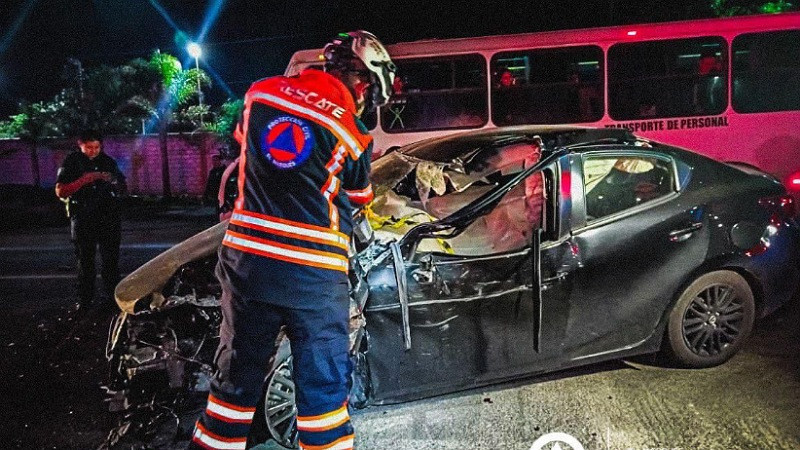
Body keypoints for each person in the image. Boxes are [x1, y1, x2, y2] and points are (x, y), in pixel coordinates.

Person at [189, 30, 396, 450]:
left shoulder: (260, 95)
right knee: (322, 395)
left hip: (249, 268)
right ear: (362, 82)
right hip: (313, 278)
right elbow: (359, 200)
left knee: (234, 385)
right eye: (369, 93)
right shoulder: (353, 135)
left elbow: (249, 146)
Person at [55, 130, 126, 310]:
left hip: (108, 217)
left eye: (97, 147)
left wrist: (114, 182)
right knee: (86, 261)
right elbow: (61, 191)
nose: (94, 151)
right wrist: (85, 180)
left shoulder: (107, 161)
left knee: (111, 260)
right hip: (83, 217)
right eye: (89, 147)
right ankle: (85, 299)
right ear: (80, 146)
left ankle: (111, 298)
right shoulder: (72, 162)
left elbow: (122, 184)